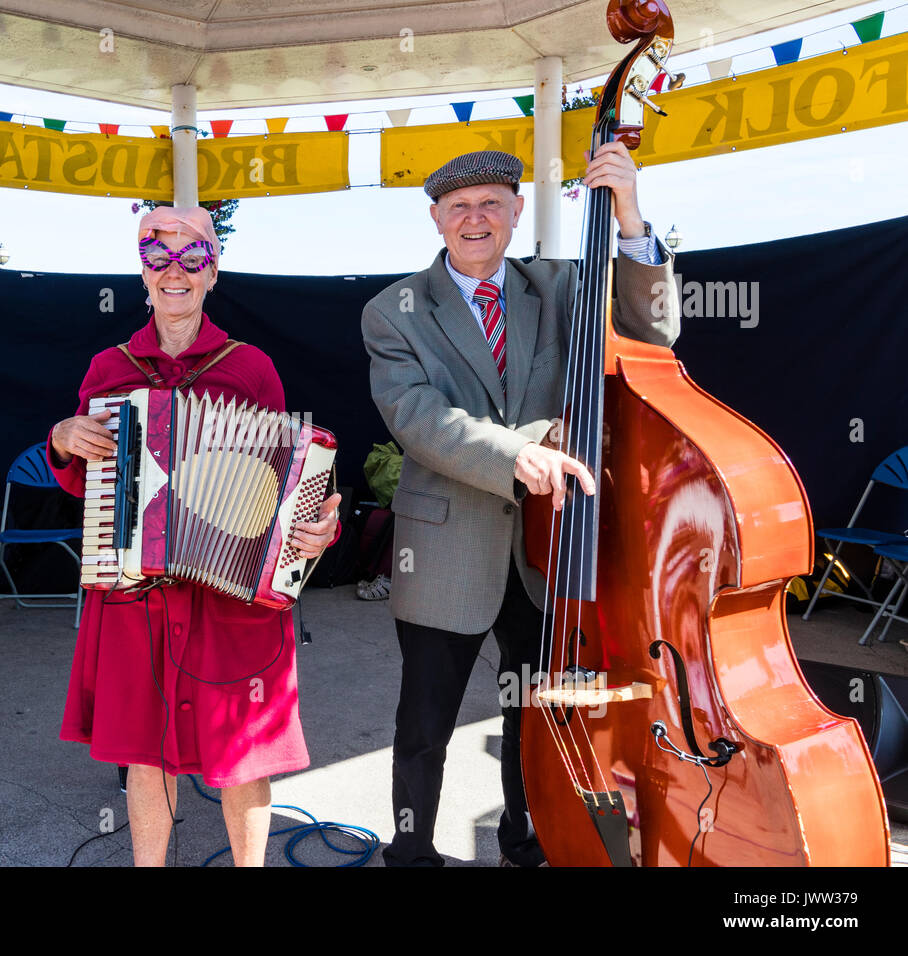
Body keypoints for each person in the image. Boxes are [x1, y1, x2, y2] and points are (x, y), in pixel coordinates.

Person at [361, 146, 680, 867]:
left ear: (515, 213)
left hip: (548, 545)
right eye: (459, 208)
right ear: (437, 219)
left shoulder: (562, 283)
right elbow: (416, 417)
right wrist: (515, 456)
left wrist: (629, 217)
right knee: (423, 723)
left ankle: (526, 842)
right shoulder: (393, 311)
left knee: (533, 717)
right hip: (444, 549)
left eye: (491, 205)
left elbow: (656, 331)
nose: (476, 219)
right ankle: (410, 851)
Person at [49, 206, 340, 866]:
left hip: (229, 597)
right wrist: (63, 440)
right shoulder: (109, 367)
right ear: (141, 271)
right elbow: (81, 481)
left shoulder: (252, 367)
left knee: (243, 757)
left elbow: (288, 477)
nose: (174, 270)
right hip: (134, 593)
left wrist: (319, 526)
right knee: (146, 759)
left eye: (193, 255)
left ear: (214, 271)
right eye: (158, 254)